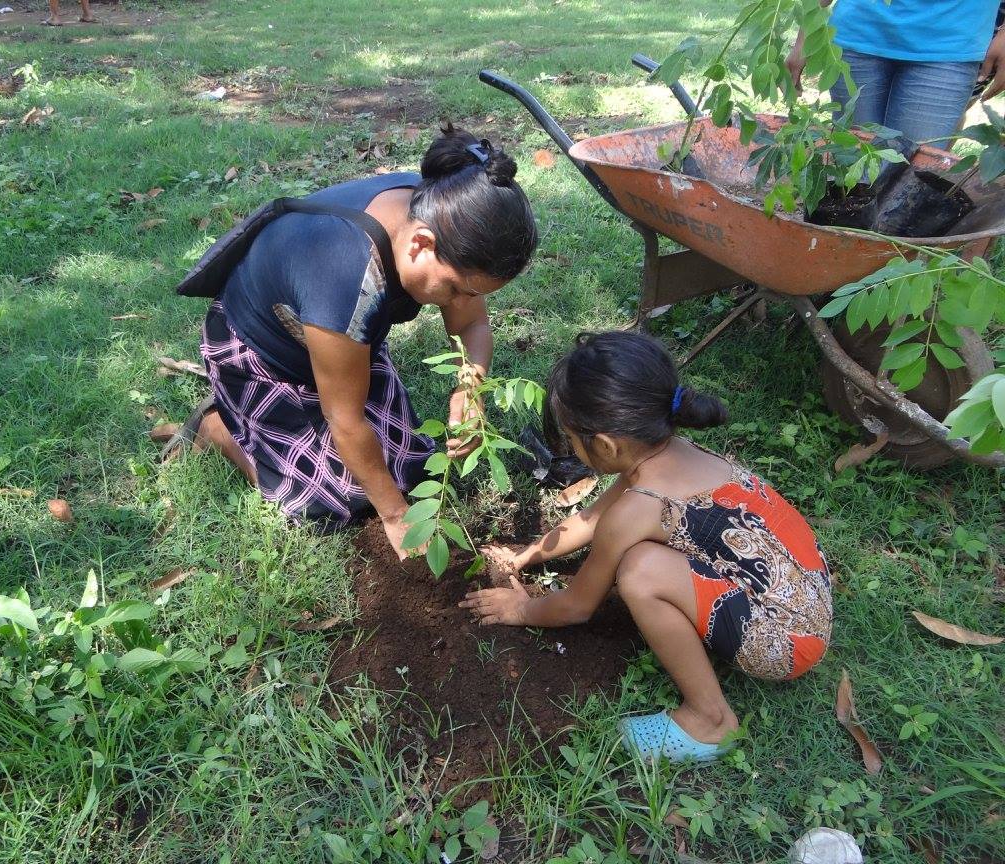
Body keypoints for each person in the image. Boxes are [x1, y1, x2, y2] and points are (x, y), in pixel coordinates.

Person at [460, 332, 833, 763]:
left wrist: (519, 610)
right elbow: (589, 520)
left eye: (571, 438)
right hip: (806, 596)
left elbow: (578, 606)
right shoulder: (672, 454)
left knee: (640, 571)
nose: (572, 448)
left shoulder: (642, 507)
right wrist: (527, 555)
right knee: (647, 560)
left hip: (786, 641)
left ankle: (710, 721)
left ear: (604, 446)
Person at [167, 125, 537, 559]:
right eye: (457, 290)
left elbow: (472, 327)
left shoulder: (445, 206)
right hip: (261, 354)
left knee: (412, 466)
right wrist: (397, 517)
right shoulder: (347, 276)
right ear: (421, 243)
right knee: (335, 502)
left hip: (341, 343)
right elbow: (344, 420)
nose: (461, 303)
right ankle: (219, 426)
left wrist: (470, 389)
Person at [786, 0, 1005, 143]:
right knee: (850, 169)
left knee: (908, 179)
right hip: (858, 32)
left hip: (950, 44)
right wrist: (805, 38)